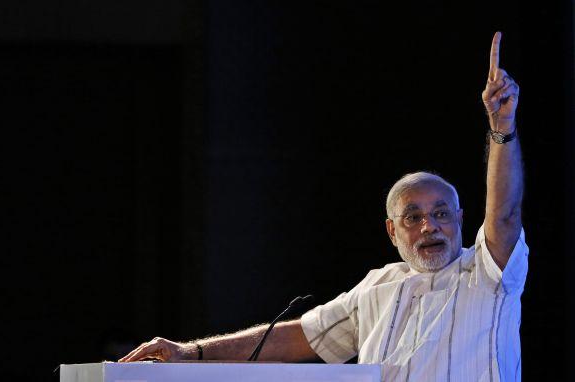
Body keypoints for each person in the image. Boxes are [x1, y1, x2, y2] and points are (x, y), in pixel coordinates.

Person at [120, 31, 527, 381]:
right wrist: (189, 354)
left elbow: (504, 215)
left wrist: (502, 128)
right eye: (414, 217)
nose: (429, 227)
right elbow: (297, 338)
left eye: (441, 214)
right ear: (392, 231)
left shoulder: (488, 277)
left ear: (460, 220)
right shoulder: (377, 288)